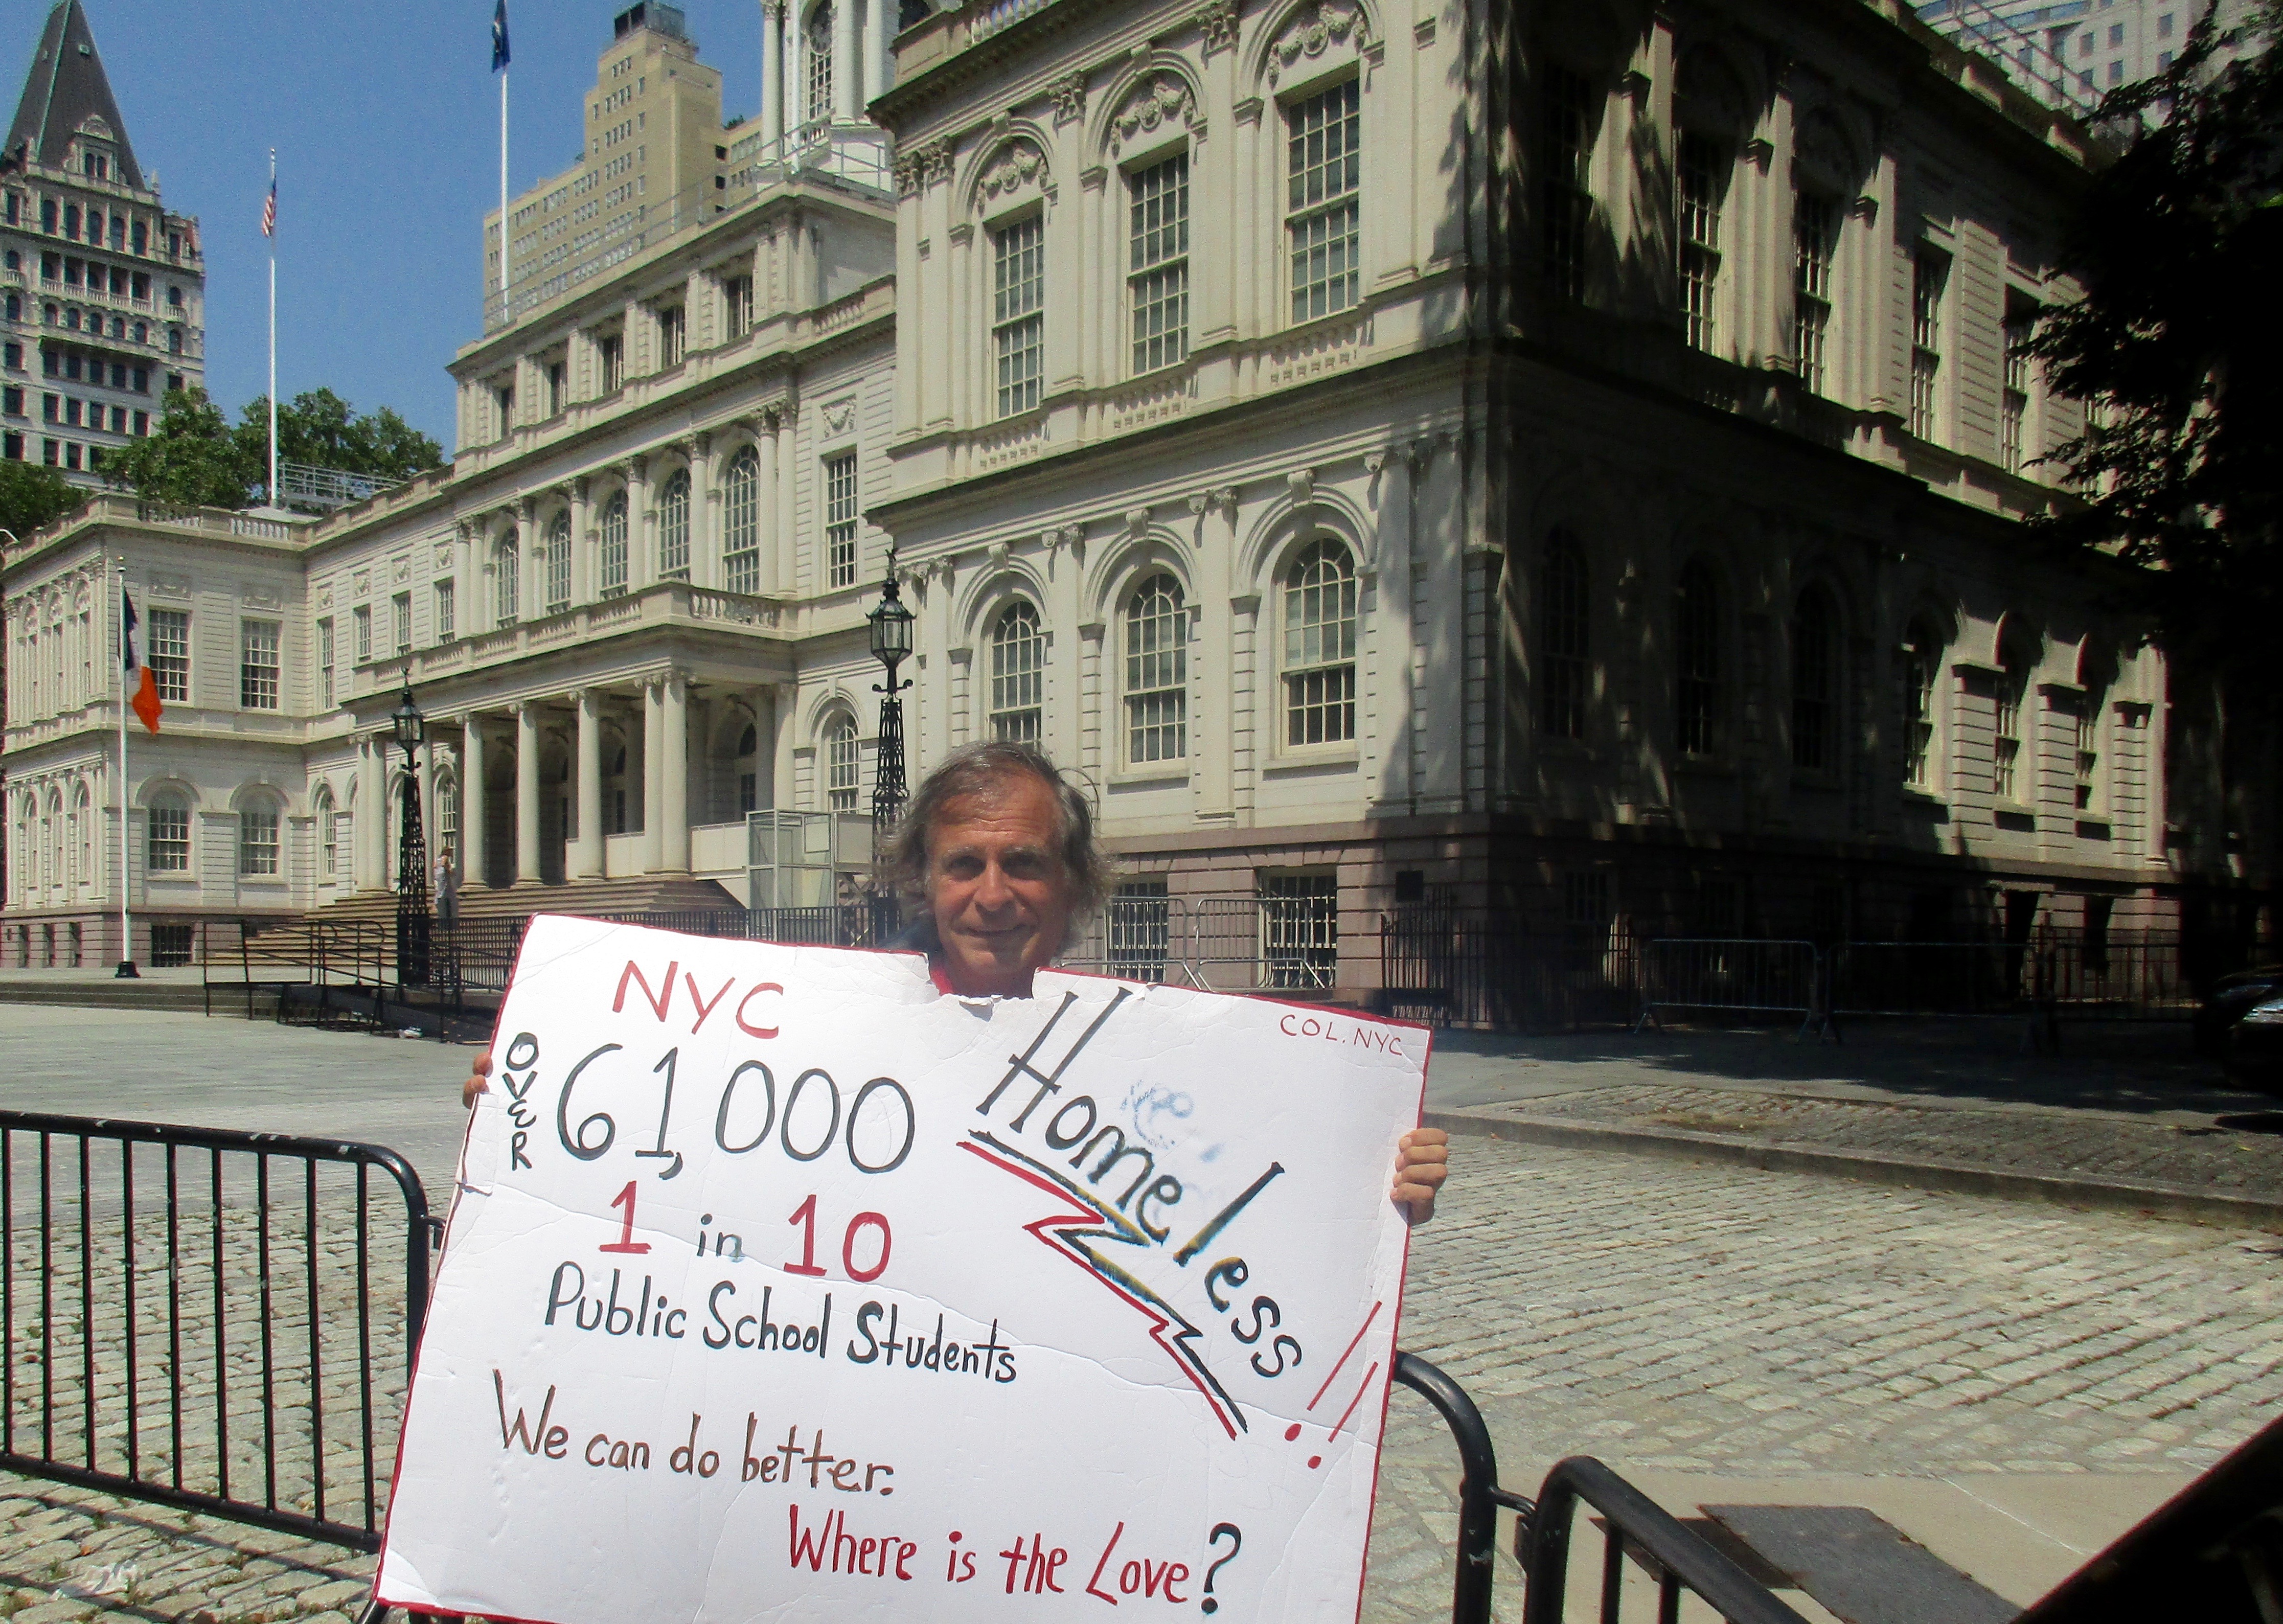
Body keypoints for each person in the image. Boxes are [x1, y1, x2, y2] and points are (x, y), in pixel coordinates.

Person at [465, 741, 1451, 1221]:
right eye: (962, 865)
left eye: (1023, 863)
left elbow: (1242, 1209)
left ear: (1071, 886)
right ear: (924, 883)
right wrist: (535, 1097)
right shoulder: (829, 1033)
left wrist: (1372, 1184)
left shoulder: (1145, 1056)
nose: (992, 894)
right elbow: (702, 1151)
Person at [433, 852, 459, 930]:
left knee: (446, 888)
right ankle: (436, 903)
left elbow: (434, 866)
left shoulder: (438, 858)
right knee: (442, 889)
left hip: (438, 874)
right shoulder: (446, 857)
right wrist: (449, 871)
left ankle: (442, 900)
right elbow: (444, 865)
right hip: (443, 874)